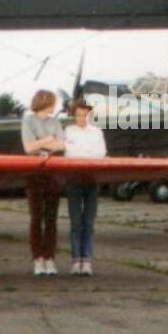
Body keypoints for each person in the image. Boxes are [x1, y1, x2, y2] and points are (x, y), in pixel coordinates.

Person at [21, 90, 65, 275]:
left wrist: (40, 142)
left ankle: (49, 258)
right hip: (35, 172)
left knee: (51, 218)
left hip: (52, 172)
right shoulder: (28, 120)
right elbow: (28, 147)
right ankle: (38, 258)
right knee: (36, 217)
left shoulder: (54, 121)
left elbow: (62, 145)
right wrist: (48, 140)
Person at [62, 98, 106, 275]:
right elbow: (69, 153)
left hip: (91, 178)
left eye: (85, 114)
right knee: (75, 222)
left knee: (88, 222)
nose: (82, 118)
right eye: (78, 115)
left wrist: (83, 153)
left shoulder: (96, 132)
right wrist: (86, 153)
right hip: (73, 178)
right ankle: (75, 260)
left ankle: (86, 260)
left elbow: (101, 153)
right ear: (74, 115)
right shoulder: (68, 131)